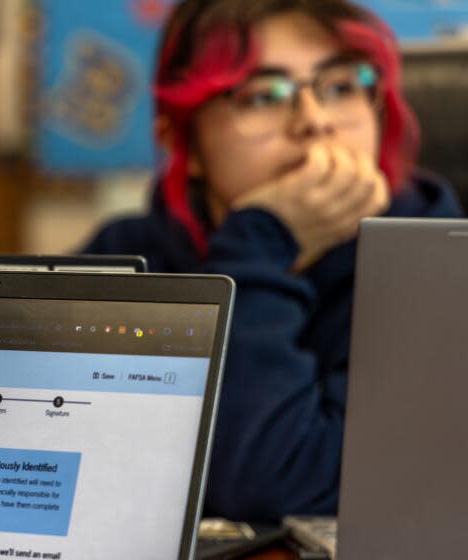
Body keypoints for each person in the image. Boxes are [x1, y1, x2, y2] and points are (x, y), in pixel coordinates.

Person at [84, 0, 463, 521]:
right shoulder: (126, 256)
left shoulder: (436, 269)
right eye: (264, 96)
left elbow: (276, 483)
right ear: (183, 142)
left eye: (341, 86)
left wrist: (262, 241)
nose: (314, 121)